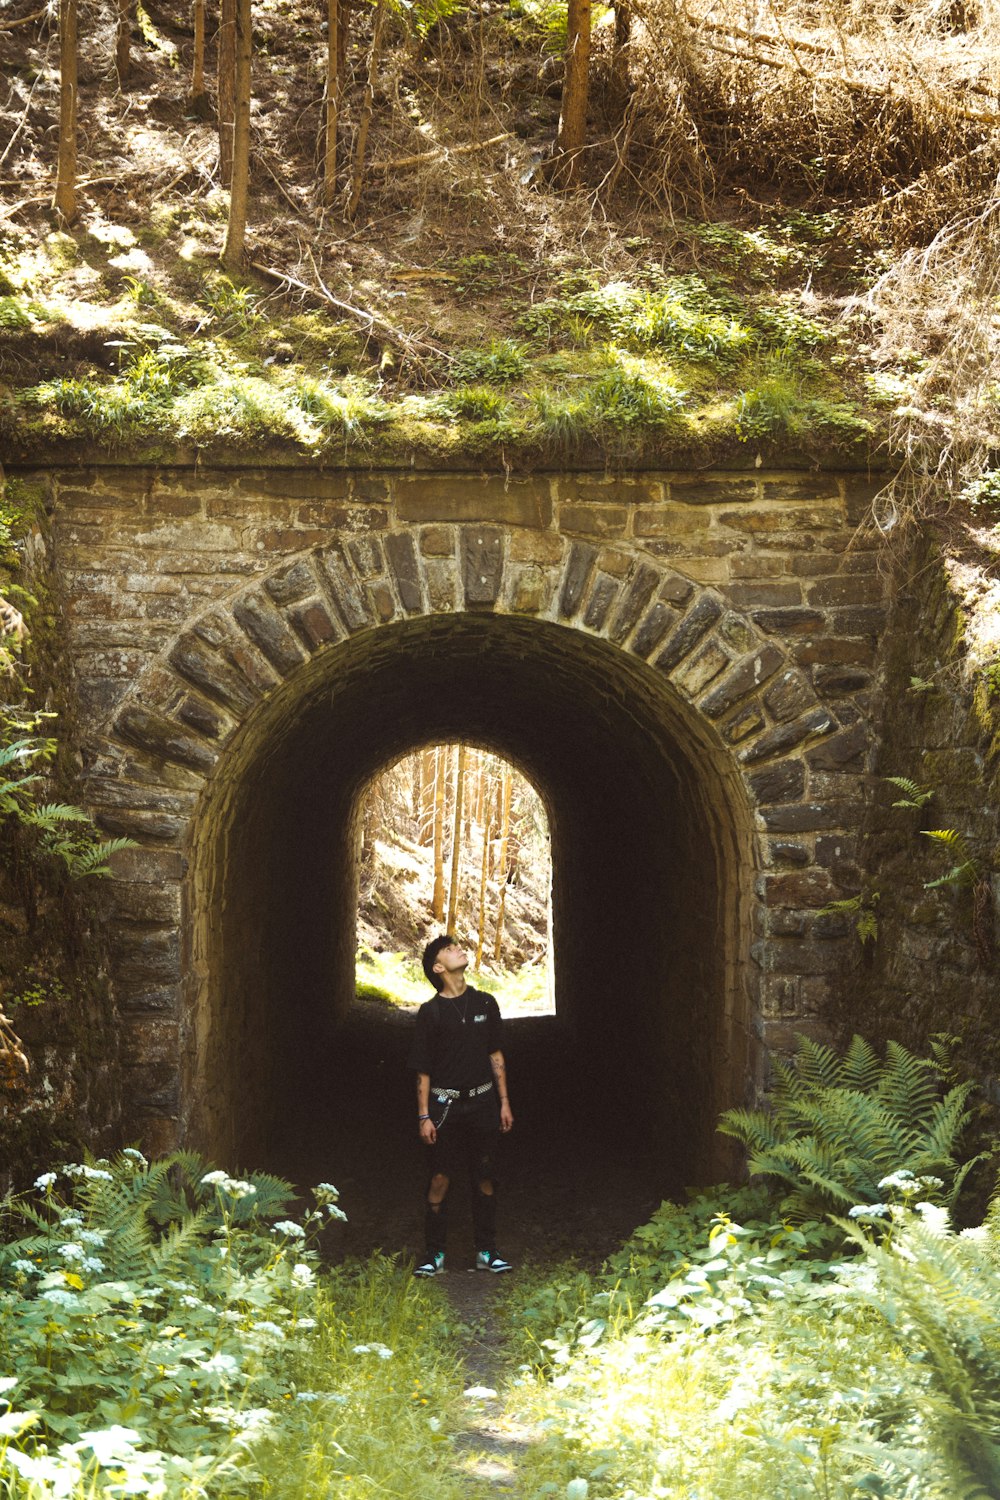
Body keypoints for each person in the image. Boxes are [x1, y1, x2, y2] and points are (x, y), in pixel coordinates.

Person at [409, 934, 514, 1276]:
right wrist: (424, 1116)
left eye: (457, 946)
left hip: (483, 1103)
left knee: (484, 1176)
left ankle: (487, 1251)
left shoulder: (486, 1003)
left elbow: (495, 1055)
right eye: (449, 949)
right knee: (440, 1177)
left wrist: (504, 1103)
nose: (459, 949)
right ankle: (433, 1255)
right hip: (444, 1108)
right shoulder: (431, 1013)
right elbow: (422, 1069)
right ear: (438, 967)